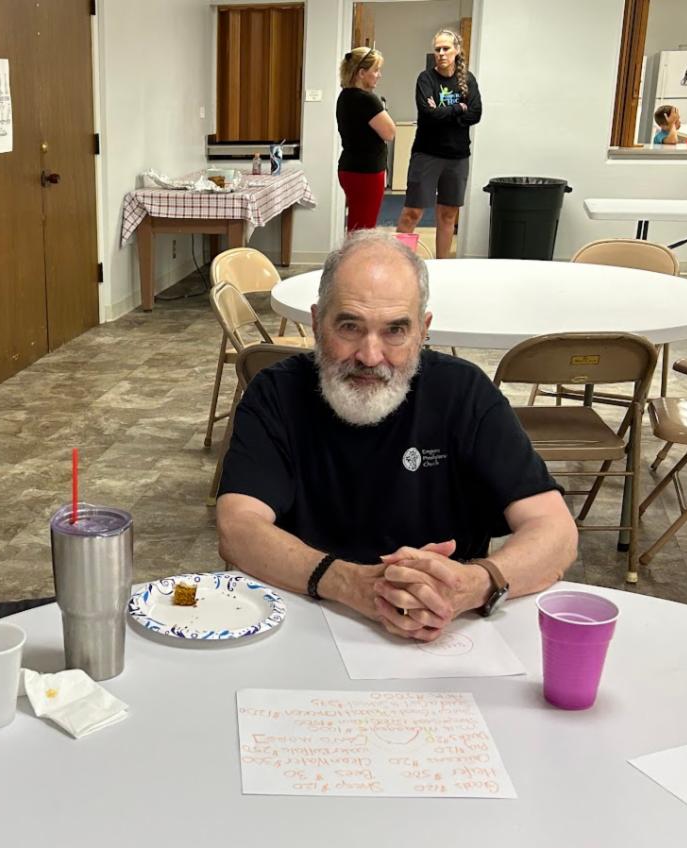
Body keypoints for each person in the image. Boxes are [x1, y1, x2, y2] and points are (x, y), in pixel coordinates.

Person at [215, 232, 577, 642]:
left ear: (423, 331)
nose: (370, 356)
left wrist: (471, 584)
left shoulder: (464, 393)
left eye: (395, 331)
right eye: (349, 327)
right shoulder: (275, 394)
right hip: (306, 624)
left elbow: (556, 530)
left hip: (444, 631)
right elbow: (238, 528)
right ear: (316, 323)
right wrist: (350, 584)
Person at [396, 29, 482, 261]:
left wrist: (443, 113)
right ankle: (399, 264)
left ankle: (442, 266)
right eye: (438, 49)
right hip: (427, 154)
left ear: (457, 50)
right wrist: (458, 108)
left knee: (448, 215)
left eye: (446, 48)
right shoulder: (426, 79)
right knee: (412, 213)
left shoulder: (468, 80)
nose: (442, 53)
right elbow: (428, 114)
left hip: (457, 157)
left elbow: (475, 114)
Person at [336, 46, 396, 232]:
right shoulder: (367, 100)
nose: (379, 75)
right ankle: (355, 253)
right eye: (376, 70)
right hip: (366, 172)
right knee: (364, 229)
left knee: (357, 225)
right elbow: (390, 133)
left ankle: (353, 251)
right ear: (362, 73)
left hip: (349, 168)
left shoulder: (344, 97)